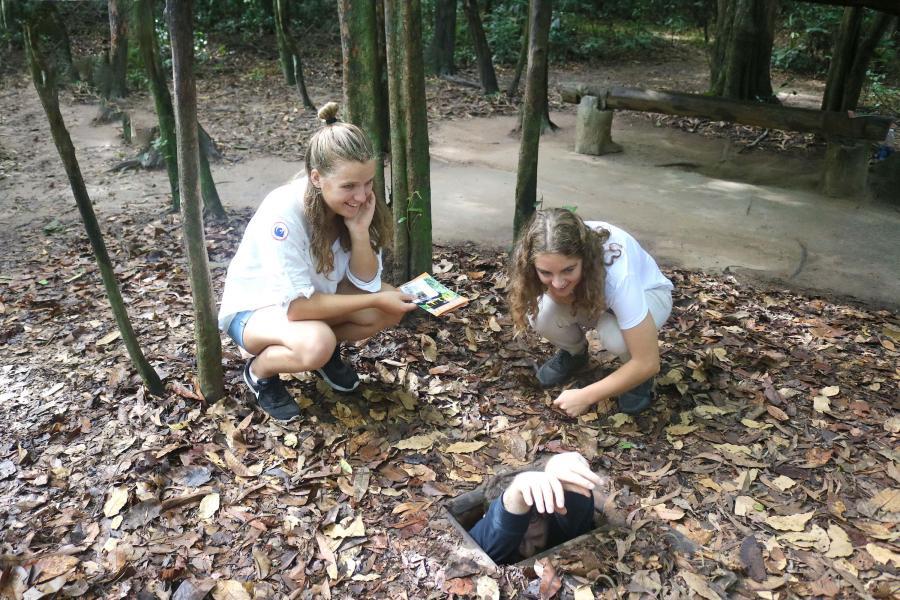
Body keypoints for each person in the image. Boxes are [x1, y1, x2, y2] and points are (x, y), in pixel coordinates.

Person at [217, 102, 417, 421]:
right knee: (318, 341)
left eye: (367, 183)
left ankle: (319, 356)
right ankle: (260, 370)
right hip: (255, 311)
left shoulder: (357, 207)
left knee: (386, 306)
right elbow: (298, 308)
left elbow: (366, 283)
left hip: (309, 304)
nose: (362, 196)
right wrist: (377, 296)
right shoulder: (284, 212)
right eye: (349, 186)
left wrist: (360, 232)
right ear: (316, 178)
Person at [508, 208, 674, 416]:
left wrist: (586, 396)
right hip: (597, 297)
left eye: (568, 269)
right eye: (546, 272)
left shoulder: (619, 276)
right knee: (541, 313)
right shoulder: (547, 249)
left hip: (649, 295)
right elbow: (553, 288)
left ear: (585, 258)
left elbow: (648, 362)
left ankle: (637, 379)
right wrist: (564, 287)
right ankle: (575, 354)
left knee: (614, 337)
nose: (557, 283)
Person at [467, 452, 604, 564]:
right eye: (517, 541)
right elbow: (492, 534)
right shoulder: (484, 538)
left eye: (537, 537)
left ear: (545, 514)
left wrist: (560, 471)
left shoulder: (558, 525)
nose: (528, 552)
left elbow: (575, 511)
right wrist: (516, 495)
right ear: (485, 518)